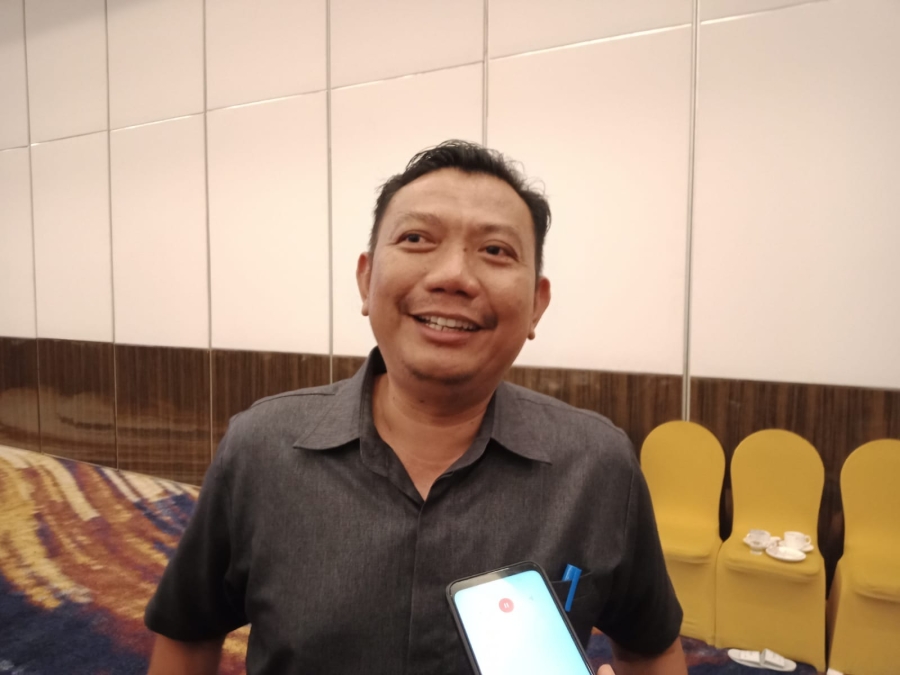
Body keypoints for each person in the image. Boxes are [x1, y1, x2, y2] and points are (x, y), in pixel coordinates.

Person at [145, 140, 688, 675]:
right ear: (366, 279)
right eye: (416, 238)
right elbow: (188, 634)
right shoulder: (261, 447)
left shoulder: (597, 466)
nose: (453, 275)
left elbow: (650, 648)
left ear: (536, 305)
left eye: (496, 250)